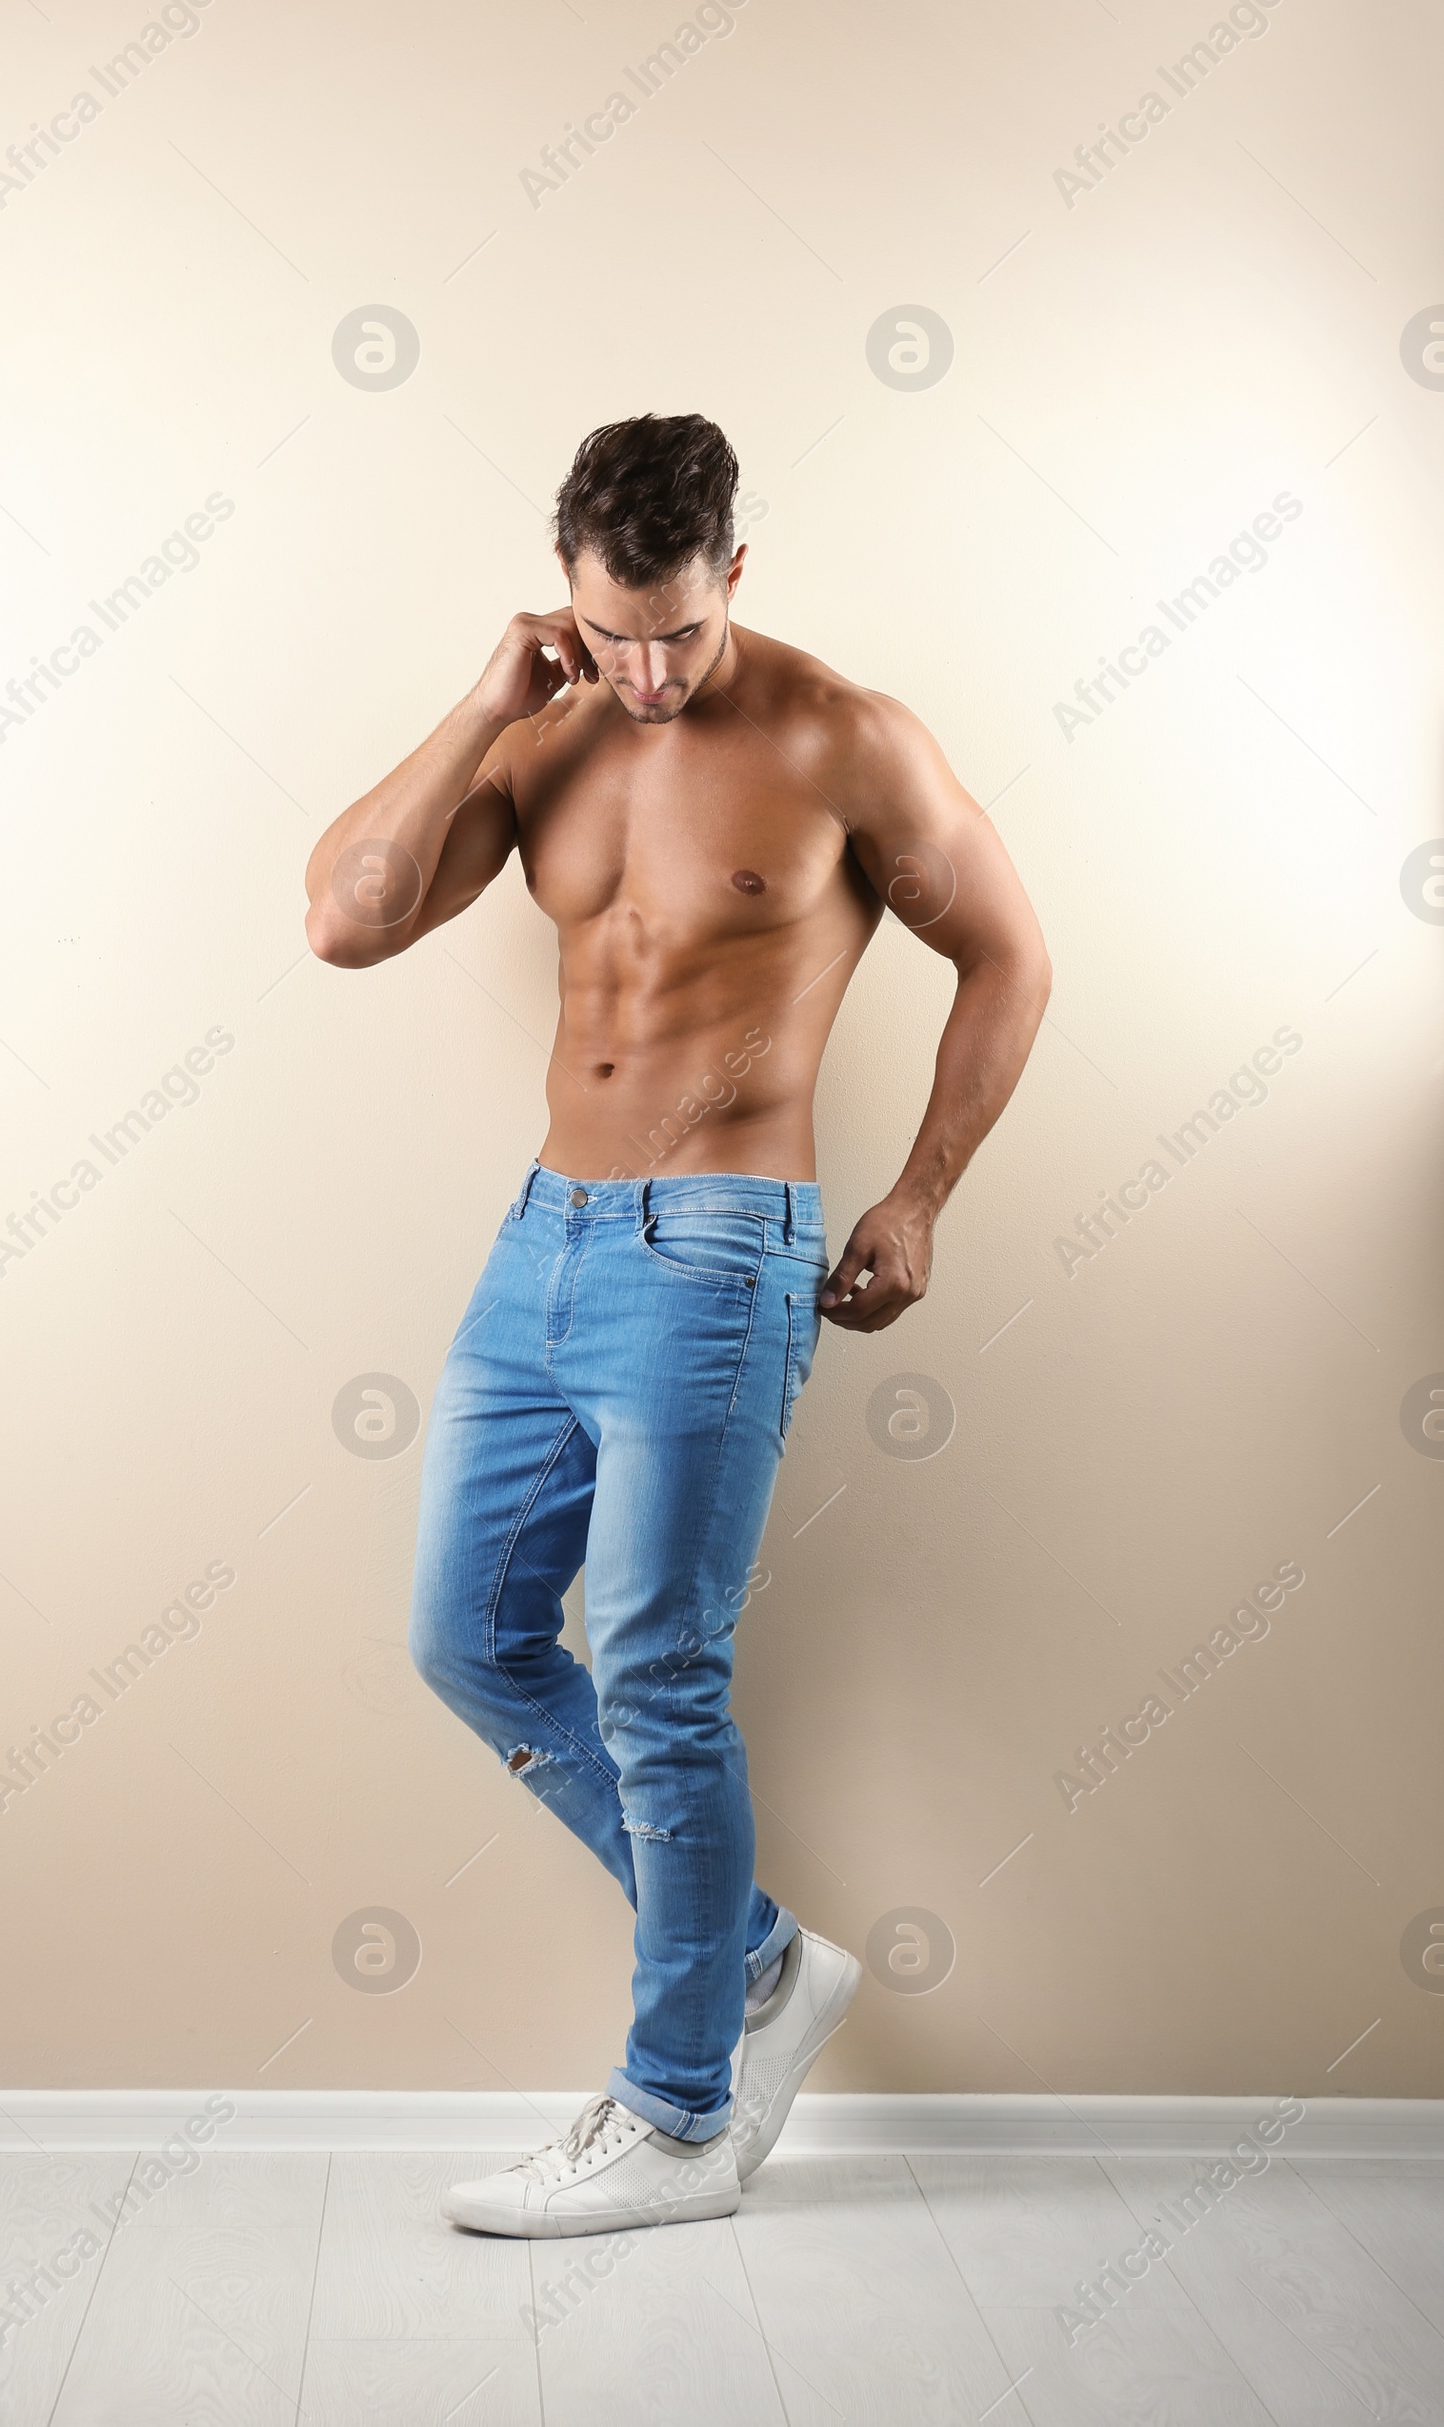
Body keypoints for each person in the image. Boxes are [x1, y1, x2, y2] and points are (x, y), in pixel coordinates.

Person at [304, 413, 1051, 2238]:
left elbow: (1012, 952)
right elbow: (345, 916)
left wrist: (920, 1194)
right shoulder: (547, 730)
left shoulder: (839, 736)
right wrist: (486, 701)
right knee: (466, 1635)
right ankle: (762, 1965)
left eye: (681, 631)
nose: (648, 671)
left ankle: (680, 2114)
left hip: (723, 1243)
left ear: (737, 571)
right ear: (566, 592)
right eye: (610, 630)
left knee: (651, 1671)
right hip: (542, 1232)